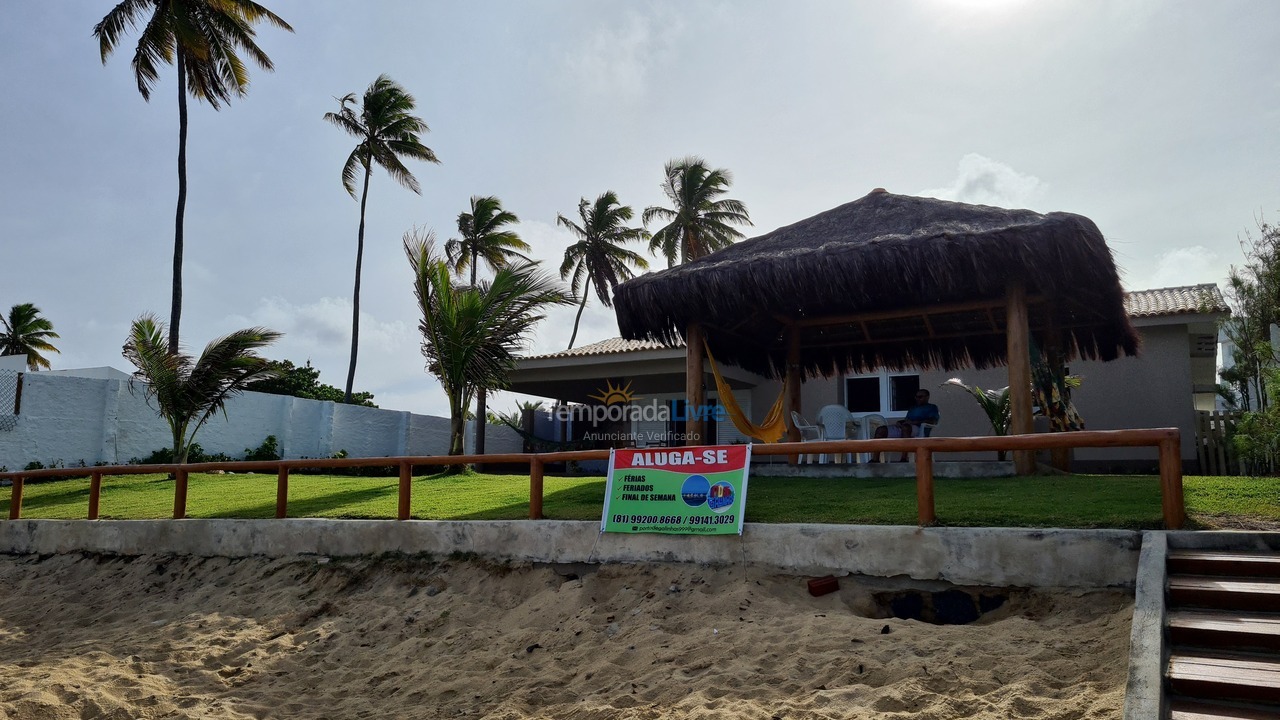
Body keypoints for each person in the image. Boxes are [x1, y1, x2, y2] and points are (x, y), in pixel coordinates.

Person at [872, 389, 940, 461]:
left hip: (920, 429)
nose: (917, 399)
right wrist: (900, 422)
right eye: (916, 397)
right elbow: (907, 420)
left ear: (927, 397)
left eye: (920, 397)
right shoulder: (913, 408)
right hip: (907, 427)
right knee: (881, 430)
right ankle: (875, 459)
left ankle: (904, 458)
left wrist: (915, 422)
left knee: (905, 428)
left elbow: (933, 421)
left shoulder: (932, 407)